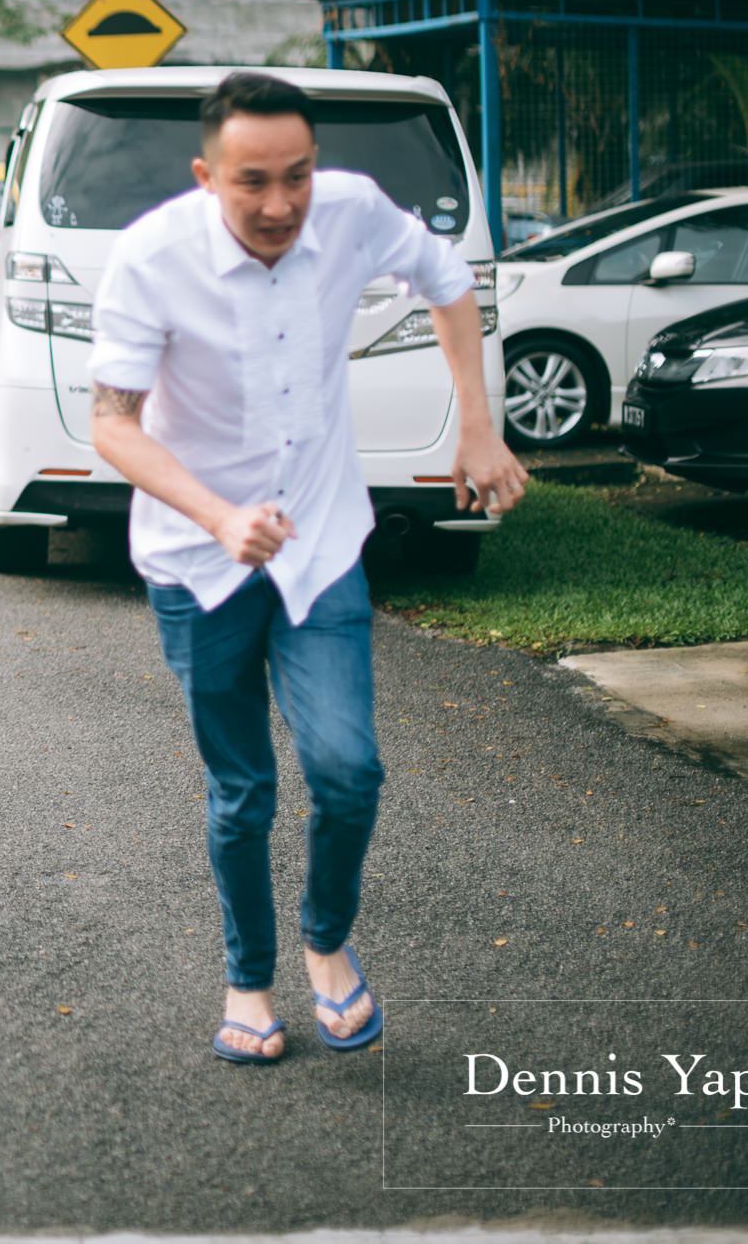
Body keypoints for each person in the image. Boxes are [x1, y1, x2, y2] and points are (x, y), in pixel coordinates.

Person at [86, 71, 527, 1067]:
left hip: (321, 543)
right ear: (207, 174)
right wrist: (217, 512)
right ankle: (248, 980)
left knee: (347, 767)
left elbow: (449, 281)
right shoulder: (151, 258)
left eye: (296, 175)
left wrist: (475, 425)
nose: (280, 203)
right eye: (251, 182)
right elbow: (110, 423)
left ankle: (325, 941)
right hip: (198, 561)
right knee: (242, 789)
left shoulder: (352, 212)